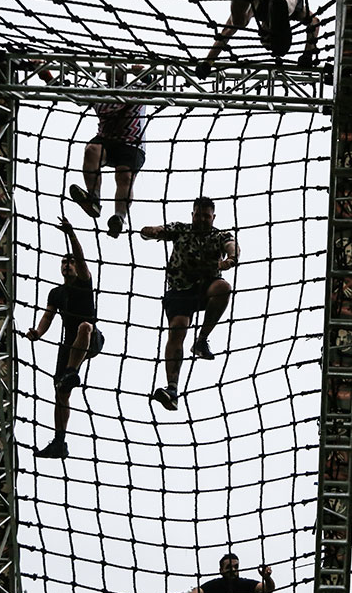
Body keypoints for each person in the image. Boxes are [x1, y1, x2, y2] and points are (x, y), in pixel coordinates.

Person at [140, 197, 238, 412]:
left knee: (223, 288)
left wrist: (230, 259)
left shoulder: (218, 235)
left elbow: (232, 245)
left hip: (206, 286)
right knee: (177, 330)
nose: (202, 219)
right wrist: (151, 232)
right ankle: (172, 389)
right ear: (192, 214)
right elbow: (157, 230)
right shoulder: (181, 229)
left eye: (206, 216)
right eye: (198, 214)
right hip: (180, 291)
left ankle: (202, 340)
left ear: (213, 217)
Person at [25, 217, 105, 459]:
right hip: (69, 344)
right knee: (60, 392)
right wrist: (37, 332)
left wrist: (71, 234)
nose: (67, 266)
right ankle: (60, 442)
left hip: (91, 337)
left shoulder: (84, 281)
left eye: (70, 263)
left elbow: (81, 259)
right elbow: (48, 317)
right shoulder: (56, 293)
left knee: (84, 327)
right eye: (64, 263)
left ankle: (72, 371)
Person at [65, 65, 148, 238]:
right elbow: (70, 93)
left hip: (133, 144)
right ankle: (93, 199)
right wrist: (46, 74)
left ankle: (119, 217)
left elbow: (158, 89)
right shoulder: (99, 92)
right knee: (91, 151)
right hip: (106, 141)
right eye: (110, 70)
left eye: (118, 70)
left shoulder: (138, 88)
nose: (114, 74)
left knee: (124, 175)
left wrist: (142, 73)